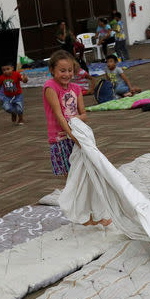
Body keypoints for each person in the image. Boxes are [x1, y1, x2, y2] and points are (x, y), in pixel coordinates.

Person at [43, 50, 110, 227]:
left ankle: (93, 214)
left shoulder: (76, 88)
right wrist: (71, 134)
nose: (67, 74)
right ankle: (83, 216)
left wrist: (76, 131)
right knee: (73, 180)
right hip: (60, 140)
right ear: (52, 70)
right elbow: (58, 115)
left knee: (87, 175)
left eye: (70, 70)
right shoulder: (50, 87)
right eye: (62, 71)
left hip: (76, 138)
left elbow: (84, 115)